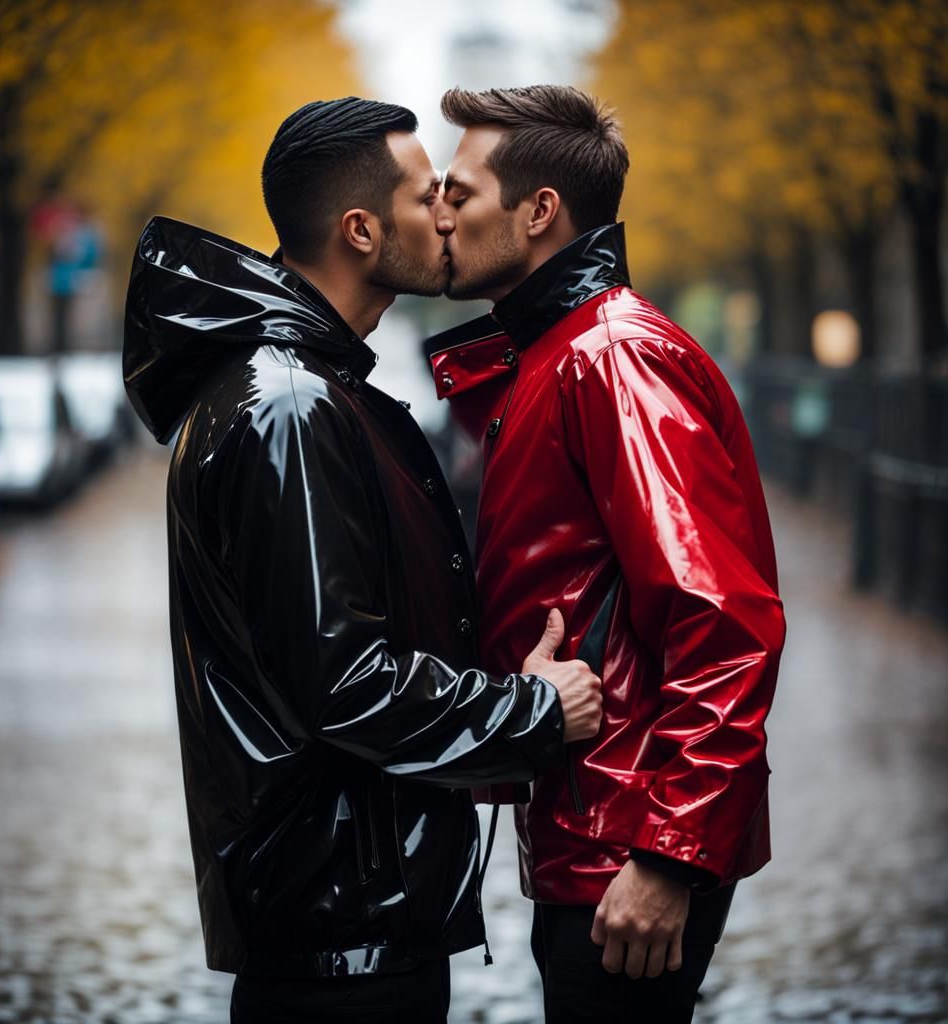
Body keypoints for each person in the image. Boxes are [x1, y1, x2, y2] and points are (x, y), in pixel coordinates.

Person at [121, 97, 603, 1024]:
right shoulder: (291, 407)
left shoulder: (306, 390)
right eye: (429, 198)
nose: (450, 216)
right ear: (360, 228)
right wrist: (535, 710)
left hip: (344, 916)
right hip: (340, 930)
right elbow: (344, 683)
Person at [426, 85, 787, 1024]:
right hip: (600, 820)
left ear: (539, 210)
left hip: (630, 839)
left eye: (459, 194)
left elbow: (724, 619)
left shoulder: (611, 357)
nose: (438, 213)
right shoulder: (561, 353)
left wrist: (670, 855)